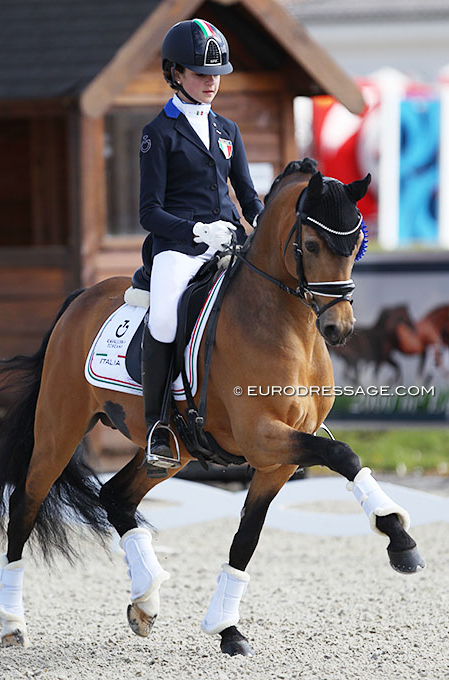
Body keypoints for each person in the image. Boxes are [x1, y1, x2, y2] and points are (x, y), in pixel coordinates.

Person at [139, 18, 263, 467]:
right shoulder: (159, 133)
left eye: (216, 74)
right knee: (167, 319)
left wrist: (264, 225)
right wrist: (196, 231)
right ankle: (157, 424)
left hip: (230, 242)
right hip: (180, 247)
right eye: (200, 73)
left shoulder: (228, 131)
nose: (211, 82)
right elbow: (148, 212)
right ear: (175, 73)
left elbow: (248, 196)